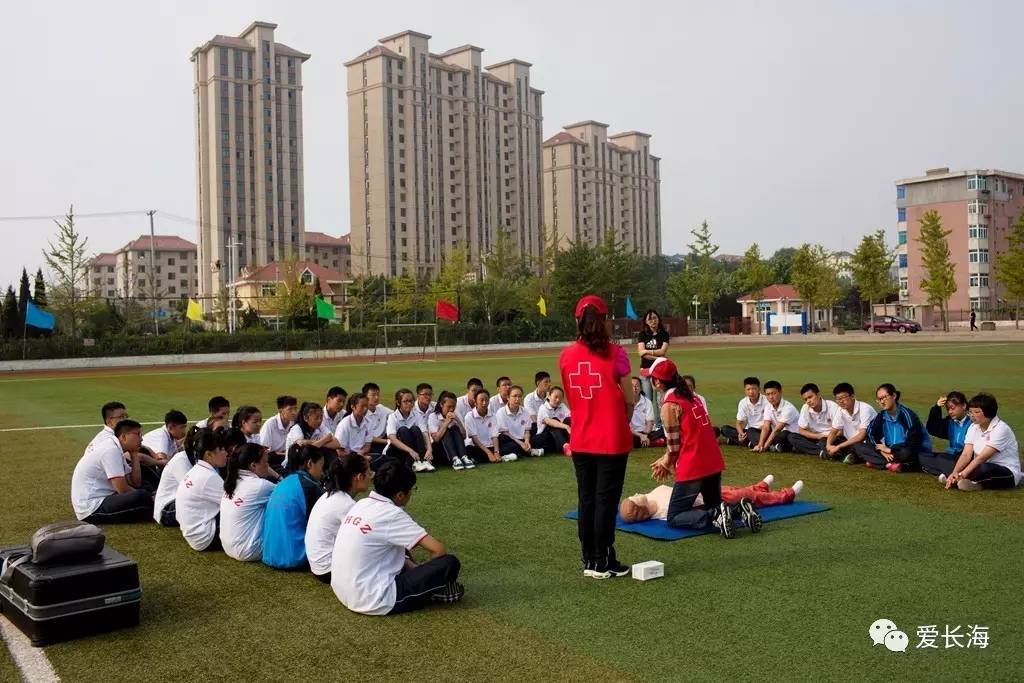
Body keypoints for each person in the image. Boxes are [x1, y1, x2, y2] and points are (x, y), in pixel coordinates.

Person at [559, 294, 635, 578]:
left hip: (581, 437)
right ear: (604, 321)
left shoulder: (566, 356)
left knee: (586, 499)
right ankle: (604, 558)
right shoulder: (617, 354)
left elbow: (572, 397)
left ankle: (589, 557)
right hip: (612, 438)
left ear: (577, 320)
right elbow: (629, 398)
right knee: (606, 500)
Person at [331, 461, 464, 615]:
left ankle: (425, 585)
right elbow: (438, 550)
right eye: (411, 489)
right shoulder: (392, 514)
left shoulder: (362, 503)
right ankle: (432, 592)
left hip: (343, 589)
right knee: (449, 563)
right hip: (374, 599)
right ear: (400, 495)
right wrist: (424, 573)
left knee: (402, 546)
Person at [646, 357, 753, 539]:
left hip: (693, 465)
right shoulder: (691, 396)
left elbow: (674, 445)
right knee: (714, 504)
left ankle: (716, 516)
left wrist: (666, 462)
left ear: (657, 381)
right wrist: (666, 459)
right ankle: (736, 510)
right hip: (712, 461)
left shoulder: (670, 404)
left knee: (674, 517)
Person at [71, 412, 152, 524]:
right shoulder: (111, 450)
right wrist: (148, 496)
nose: (141, 438)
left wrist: (134, 454)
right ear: (123, 437)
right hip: (91, 508)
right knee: (142, 496)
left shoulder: (116, 447)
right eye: (138, 434)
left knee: (145, 486)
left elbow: (135, 483)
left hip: (103, 498)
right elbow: (122, 489)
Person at [620, 474, 804, 522]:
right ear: (640, 510)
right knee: (749, 497)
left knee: (739, 490)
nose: (636, 494)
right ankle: (786, 495)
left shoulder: (650, 496)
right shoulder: (664, 512)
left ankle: (761, 486)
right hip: (707, 499)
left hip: (703, 490)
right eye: (634, 499)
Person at [305, 453, 372, 583]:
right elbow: (367, 536)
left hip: (318, 566)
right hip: (329, 570)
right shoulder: (346, 505)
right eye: (369, 472)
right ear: (358, 477)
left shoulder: (329, 496)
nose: (371, 476)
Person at [262, 445, 326, 569]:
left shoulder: (286, 481)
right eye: (321, 466)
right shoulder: (309, 486)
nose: (322, 472)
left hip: (269, 553)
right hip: (295, 557)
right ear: (310, 463)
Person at [939, 393, 1021, 491]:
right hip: (979, 466)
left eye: (976, 412)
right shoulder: (973, 427)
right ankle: (962, 481)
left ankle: (965, 481)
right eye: (970, 412)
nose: (972, 415)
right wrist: (955, 472)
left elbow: (982, 458)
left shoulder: (1001, 429)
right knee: (954, 461)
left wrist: (962, 474)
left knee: (984, 468)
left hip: (1005, 471)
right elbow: (966, 454)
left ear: (988, 413)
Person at [219, 443, 277, 562]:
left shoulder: (233, 481)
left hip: (227, 547)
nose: (268, 466)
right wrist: (279, 476)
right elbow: (289, 494)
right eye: (265, 462)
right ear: (253, 465)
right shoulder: (260, 486)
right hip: (249, 550)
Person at [176, 429, 229, 551]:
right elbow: (234, 506)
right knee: (246, 513)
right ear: (208, 454)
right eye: (221, 449)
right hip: (205, 537)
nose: (226, 453)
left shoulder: (197, 470)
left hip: (195, 533)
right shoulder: (208, 477)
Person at [864, 383, 931, 472]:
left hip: (909, 450)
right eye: (879, 399)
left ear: (894, 396)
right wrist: (882, 451)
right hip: (889, 452)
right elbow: (870, 433)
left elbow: (913, 443)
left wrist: (891, 450)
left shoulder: (908, 415)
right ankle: (894, 464)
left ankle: (881, 462)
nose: (882, 402)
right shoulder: (882, 416)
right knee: (859, 446)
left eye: (884, 397)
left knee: (907, 453)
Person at [153, 426, 200, 526]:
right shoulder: (181, 460)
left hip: (180, 502)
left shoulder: (195, 459)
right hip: (167, 508)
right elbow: (193, 491)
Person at [825, 383, 878, 463]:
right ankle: (848, 455)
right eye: (838, 399)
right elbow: (833, 431)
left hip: (866, 443)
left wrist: (838, 447)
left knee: (858, 447)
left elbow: (861, 436)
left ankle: (846, 455)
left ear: (852, 396)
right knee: (824, 440)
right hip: (850, 442)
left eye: (843, 398)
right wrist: (828, 445)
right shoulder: (841, 410)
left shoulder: (865, 409)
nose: (841, 401)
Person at [921, 391, 971, 476]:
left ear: (964, 406)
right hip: (950, 456)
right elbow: (933, 429)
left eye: (952, 408)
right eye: (948, 409)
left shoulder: (972, 423)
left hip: (963, 458)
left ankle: (944, 472)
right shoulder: (950, 421)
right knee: (923, 456)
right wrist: (937, 407)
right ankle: (948, 472)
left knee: (942, 459)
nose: (950, 412)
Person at [636, 309, 670, 430]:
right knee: (648, 399)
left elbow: (663, 351)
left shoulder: (664, 334)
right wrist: (658, 355)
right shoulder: (642, 334)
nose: (653, 321)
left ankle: (660, 425)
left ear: (658, 319)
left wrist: (648, 352)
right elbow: (641, 353)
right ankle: (648, 425)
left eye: (655, 318)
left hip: (660, 371)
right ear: (646, 321)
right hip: (645, 372)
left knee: (660, 398)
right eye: (650, 319)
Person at [385, 388, 435, 472]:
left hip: (415, 451)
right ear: (398, 402)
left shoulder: (417, 415)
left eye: (411, 401)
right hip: (397, 451)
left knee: (415, 429)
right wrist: (410, 450)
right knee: (403, 430)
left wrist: (429, 449)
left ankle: (423, 461)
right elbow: (392, 438)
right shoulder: (393, 417)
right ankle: (413, 463)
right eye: (405, 401)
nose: (409, 404)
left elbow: (425, 433)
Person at [428, 391, 474, 470]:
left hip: (454, 446)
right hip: (439, 449)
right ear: (441, 405)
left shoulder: (455, 414)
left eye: (453, 407)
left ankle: (463, 457)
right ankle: (454, 459)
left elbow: (464, 436)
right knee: (447, 430)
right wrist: (446, 422)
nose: (451, 409)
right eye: (448, 407)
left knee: (454, 428)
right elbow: (436, 439)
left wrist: (458, 421)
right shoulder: (433, 416)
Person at [789, 383, 838, 456]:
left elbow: (840, 430)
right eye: (805, 399)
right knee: (792, 437)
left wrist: (827, 437)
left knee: (823, 442)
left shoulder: (832, 406)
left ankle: (812, 449)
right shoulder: (805, 407)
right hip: (816, 436)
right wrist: (818, 436)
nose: (808, 401)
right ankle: (821, 452)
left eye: (810, 397)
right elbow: (801, 430)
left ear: (818, 395)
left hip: (831, 437)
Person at [753, 381, 800, 453]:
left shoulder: (788, 408)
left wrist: (765, 446)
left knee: (785, 433)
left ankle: (774, 446)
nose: (771, 397)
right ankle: (776, 446)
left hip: (790, 435)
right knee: (751, 430)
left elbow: (777, 430)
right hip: (776, 435)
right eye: (768, 394)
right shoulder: (768, 406)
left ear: (780, 392)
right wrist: (760, 444)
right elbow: (766, 426)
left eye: (773, 393)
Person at [721, 377, 767, 448]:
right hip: (749, 431)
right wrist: (741, 433)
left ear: (759, 389)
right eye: (748, 389)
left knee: (752, 432)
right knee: (724, 429)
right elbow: (739, 422)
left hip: (763, 430)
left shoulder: (766, 401)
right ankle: (749, 442)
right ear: (745, 390)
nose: (751, 392)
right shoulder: (743, 402)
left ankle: (743, 442)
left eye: (754, 389)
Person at [497, 385, 541, 458]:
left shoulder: (525, 411)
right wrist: (520, 443)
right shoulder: (501, 412)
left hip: (522, 439)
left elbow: (527, 430)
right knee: (503, 438)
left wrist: (526, 441)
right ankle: (530, 451)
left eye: (520, 396)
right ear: (508, 397)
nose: (517, 399)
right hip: (510, 440)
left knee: (537, 430)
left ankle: (520, 452)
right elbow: (505, 433)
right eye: (514, 396)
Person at [463, 388, 502, 463]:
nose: (484, 403)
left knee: (505, 443)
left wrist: (496, 452)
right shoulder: (469, 416)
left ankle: (495, 456)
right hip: (476, 446)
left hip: (491, 446)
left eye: (486, 400)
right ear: (475, 402)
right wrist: (489, 453)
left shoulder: (493, 415)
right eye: (481, 400)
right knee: (470, 450)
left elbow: (494, 436)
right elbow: (474, 439)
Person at [259, 395, 299, 465]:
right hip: (274, 458)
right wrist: (285, 454)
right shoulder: (270, 424)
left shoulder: (295, 422)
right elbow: (263, 450)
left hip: (288, 455)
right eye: (290, 409)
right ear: (280, 410)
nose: (294, 412)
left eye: (295, 408)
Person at [334, 392, 373, 460]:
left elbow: (367, 445)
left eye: (367, 406)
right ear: (352, 406)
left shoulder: (369, 422)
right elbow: (339, 451)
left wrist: (361, 453)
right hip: (347, 459)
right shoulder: (344, 424)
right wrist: (358, 457)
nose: (365, 409)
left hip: (362, 456)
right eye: (362, 406)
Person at [535, 386, 572, 455]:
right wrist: (566, 426)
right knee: (554, 420)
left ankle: (573, 443)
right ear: (549, 396)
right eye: (556, 397)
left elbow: (570, 417)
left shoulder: (562, 406)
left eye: (560, 398)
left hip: (558, 436)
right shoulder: (543, 408)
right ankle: (565, 446)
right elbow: (549, 421)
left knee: (569, 419)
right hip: (545, 438)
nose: (558, 400)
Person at [629, 376, 665, 448]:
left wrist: (645, 434)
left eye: (637, 386)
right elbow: (627, 426)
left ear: (641, 388)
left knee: (663, 430)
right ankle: (653, 442)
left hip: (645, 432)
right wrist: (640, 435)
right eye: (632, 386)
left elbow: (649, 423)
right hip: (631, 433)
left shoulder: (647, 402)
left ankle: (645, 442)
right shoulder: (625, 403)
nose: (635, 388)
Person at [362, 383, 393, 457]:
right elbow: (366, 436)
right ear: (365, 397)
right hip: (369, 444)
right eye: (373, 395)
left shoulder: (381, 408)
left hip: (384, 440)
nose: (376, 397)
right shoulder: (361, 414)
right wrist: (387, 441)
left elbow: (395, 415)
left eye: (378, 395)